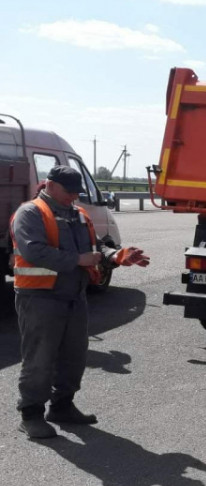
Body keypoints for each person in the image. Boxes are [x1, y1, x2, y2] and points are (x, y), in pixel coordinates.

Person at [11, 165, 150, 439]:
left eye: (77, 192)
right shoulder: (31, 212)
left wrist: (116, 256)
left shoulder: (79, 214)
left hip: (74, 296)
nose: (73, 197)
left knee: (74, 355)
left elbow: (96, 246)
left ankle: (62, 405)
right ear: (49, 185)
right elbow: (33, 250)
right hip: (40, 297)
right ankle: (31, 414)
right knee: (39, 358)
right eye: (68, 191)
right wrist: (77, 260)